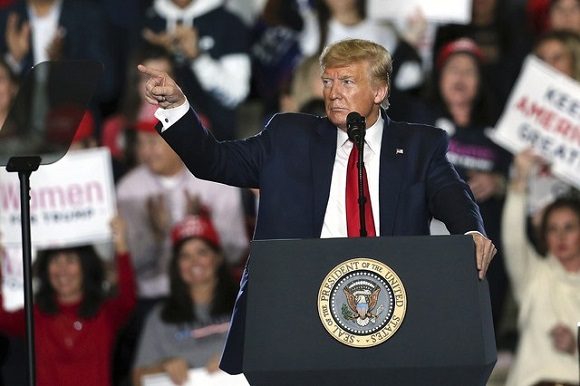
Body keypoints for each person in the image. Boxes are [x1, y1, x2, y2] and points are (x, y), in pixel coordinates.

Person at [138, 38, 497, 374]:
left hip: (389, 314)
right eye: (328, 82)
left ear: (379, 90)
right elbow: (212, 161)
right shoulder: (288, 138)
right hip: (297, 312)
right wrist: (177, 109)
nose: (334, 93)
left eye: (346, 82)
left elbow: (454, 195)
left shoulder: (419, 146)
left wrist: (471, 231)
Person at [0, 216, 137, 386]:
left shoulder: (105, 314)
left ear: (85, 267)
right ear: (45, 269)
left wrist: (121, 244)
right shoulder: (35, 316)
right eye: (55, 261)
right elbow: (2, 317)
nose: (62, 270)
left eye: (70, 260)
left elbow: (128, 297)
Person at [502, 149, 580, 386]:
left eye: (569, 228)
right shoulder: (534, 276)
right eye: (552, 229)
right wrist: (520, 180)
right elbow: (513, 239)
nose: (560, 237)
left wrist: (575, 345)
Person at [132, 214, 238, 386]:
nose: (194, 262)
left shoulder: (246, 306)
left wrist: (238, 359)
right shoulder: (160, 316)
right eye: (185, 256)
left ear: (217, 257)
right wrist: (163, 367)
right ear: (177, 264)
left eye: (202, 252)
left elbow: (272, 355)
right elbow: (138, 378)